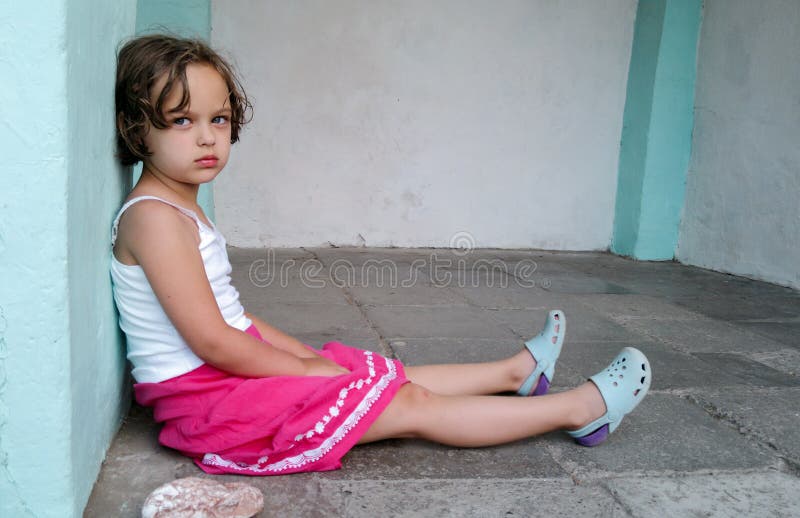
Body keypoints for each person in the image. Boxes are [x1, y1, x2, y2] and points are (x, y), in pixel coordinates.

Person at [110, 34, 652, 476]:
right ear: (139, 129)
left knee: (372, 372)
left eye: (219, 119)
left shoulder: (176, 208)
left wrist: (304, 357)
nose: (207, 138)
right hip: (209, 403)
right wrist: (304, 371)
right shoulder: (155, 218)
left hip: (222, 373)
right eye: (181, 121)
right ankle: (584, 411)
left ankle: (516, 373)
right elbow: (211, 340)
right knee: (408, 405)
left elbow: (232, 316)